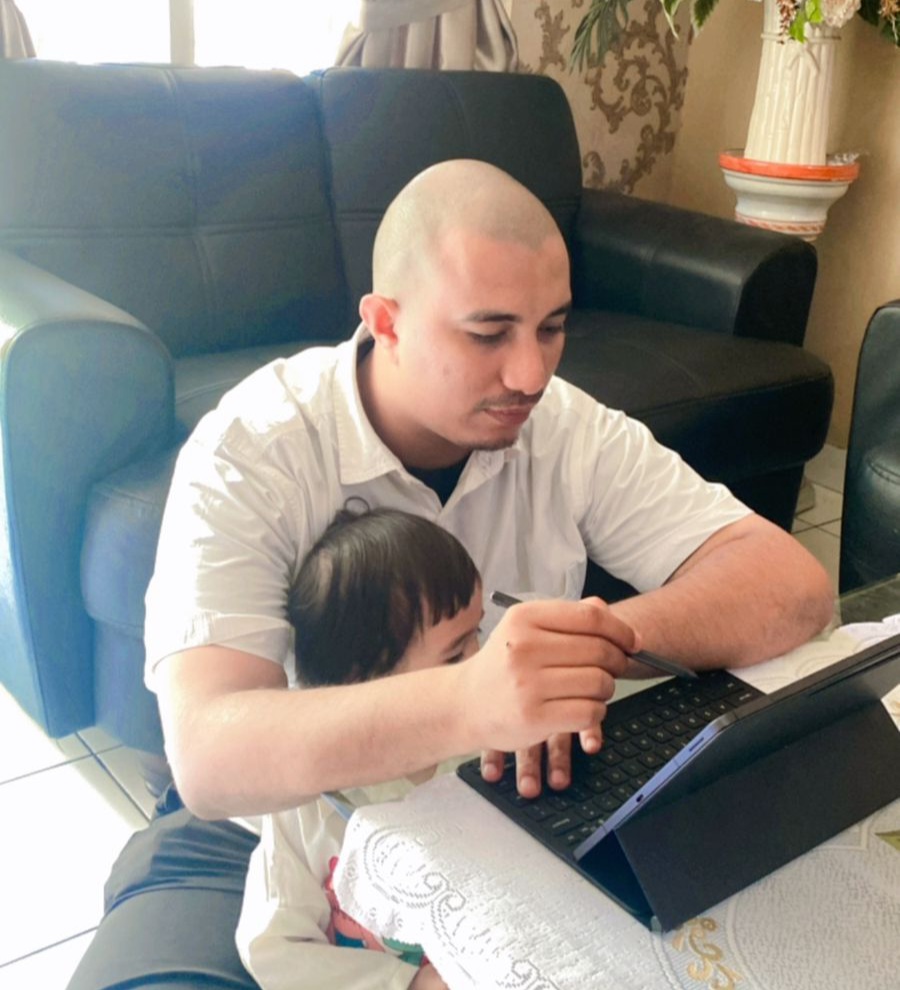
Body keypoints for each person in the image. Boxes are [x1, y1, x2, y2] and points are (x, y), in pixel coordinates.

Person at [67, 159, 832, 990]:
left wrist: (586, 649)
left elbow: (790, 585)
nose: (531, 374)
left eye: (552, 327)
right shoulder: (254, 449)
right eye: (488, 333)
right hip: (279, 832)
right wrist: (472, 698)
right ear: (386, 322)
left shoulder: (564, 427)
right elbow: (210, 757)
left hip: (503, 804)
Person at [236, 505, 483, 990]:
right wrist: (411, 984)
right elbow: (274, 949)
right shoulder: (305, 803)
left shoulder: (485, 745)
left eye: (480, 634)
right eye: (456, 654)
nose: (484, 666)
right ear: (362, 684)